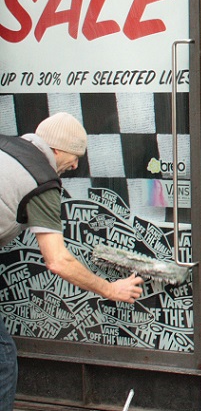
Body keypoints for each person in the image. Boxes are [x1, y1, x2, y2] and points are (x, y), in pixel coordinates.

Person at [0, 113, 144, 410]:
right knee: (2, 360)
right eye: (75, 156)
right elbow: (58, 261)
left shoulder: (5, 148)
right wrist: (109, 289)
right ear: (56, 150)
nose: (76, 166)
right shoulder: (40, 179)